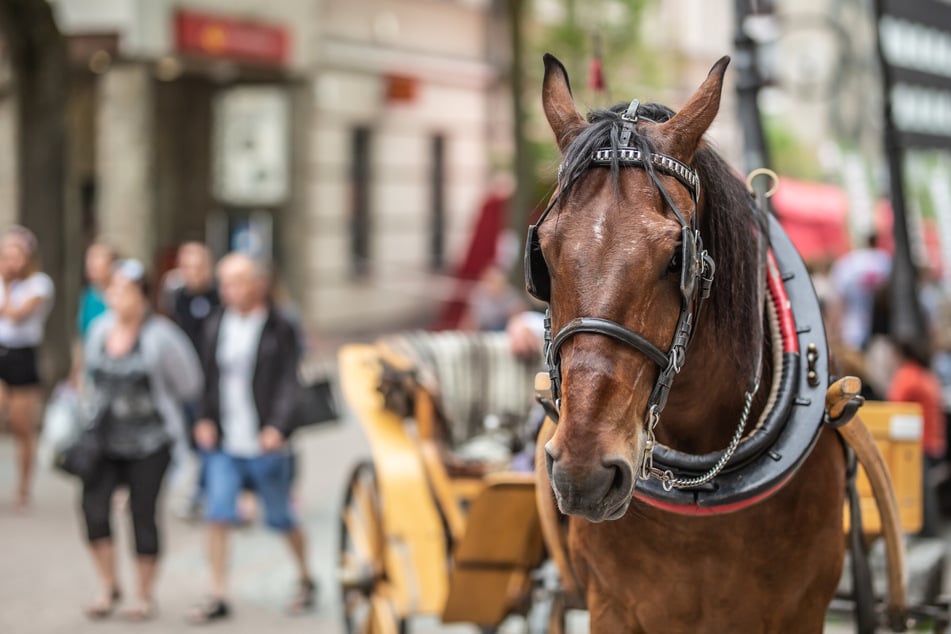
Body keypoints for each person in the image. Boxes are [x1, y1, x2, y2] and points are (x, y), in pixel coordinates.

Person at [189, 253, 315, 623]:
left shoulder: (280, 325)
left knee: (281, 518)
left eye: (236, 281)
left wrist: (277, 426)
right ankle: (217, 592)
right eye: (224, 281)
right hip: (226, 441)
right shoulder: (217, 322)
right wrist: (204, 418)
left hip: (264, 441)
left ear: (258, 284)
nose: (227, 289)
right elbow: (207, 378)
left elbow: (291, 381)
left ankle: (306, 577)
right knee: (218, 515)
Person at [80, 259, 202, 620]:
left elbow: (190, 383)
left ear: (143, 296)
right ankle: (108, 585)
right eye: (113, 291)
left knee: (142, 515)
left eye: (125, 291)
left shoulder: (162, 336)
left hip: (150, 442)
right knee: (93, 510)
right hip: (103, 441)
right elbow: (89, 377)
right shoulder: (100, 330)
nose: (117, 298)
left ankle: (144, 595)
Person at [0, 225, 55, 510]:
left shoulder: (40, 284)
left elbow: (16, 314)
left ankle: (23, 488)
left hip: (23, 355)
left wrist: (8, 287)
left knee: (23, 426)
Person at [169, 242, 220, 519]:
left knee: (209, 440)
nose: (192, 273)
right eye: (186, 266)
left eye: (197, 266)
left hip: (212, 383)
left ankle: (205, 494)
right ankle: (200, 491)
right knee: (191, 440)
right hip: (185, 384)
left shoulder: (219, 298)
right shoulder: (176, 297)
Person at [887, 339, 946, 538]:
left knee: (917, 491)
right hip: (934, 441)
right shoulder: (926, 375)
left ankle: (924, 534)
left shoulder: (906, 376)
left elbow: (894, 408)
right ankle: (930, 532)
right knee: (924, 489)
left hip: (918, 443)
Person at [77, 241, 117, 342]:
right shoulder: (88, 294)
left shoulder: (121, 295)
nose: (90, 263)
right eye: (88, 257)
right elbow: (82, 333)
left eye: (97, 257)